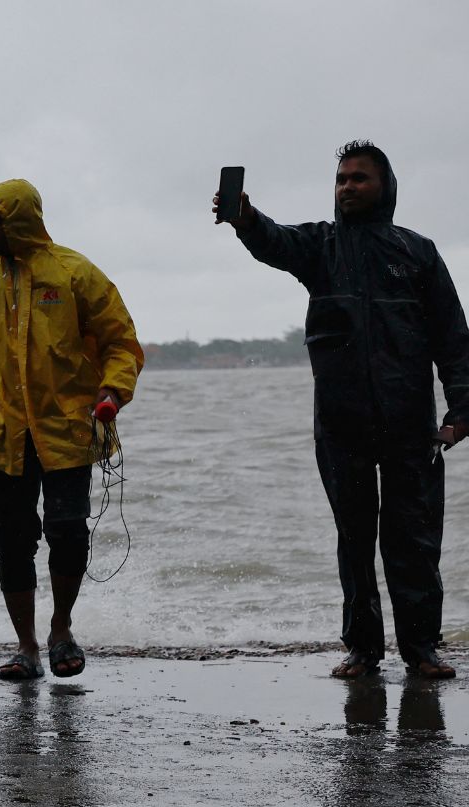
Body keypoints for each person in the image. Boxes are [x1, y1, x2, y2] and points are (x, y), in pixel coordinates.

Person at [215, 140, 469, 679]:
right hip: (341, 427)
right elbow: (273, 241)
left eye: (359, 178)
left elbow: (453, 340)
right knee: (354, 541)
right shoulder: (319, 247)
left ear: (385, 186)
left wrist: (461, 411)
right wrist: (244, 218)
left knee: (415, 542)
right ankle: (363, 649)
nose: (348, 187)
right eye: (341, 179)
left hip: (410, 427)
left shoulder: (417, 252)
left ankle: (422, 648)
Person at [0, 179, 143, 680]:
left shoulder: (75, 273)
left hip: (68, 430)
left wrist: (113, 391)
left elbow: (121, 342)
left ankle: (61, 630)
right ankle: (25, 646)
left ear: (18, 222)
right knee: (13, 541)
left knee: (68, 534)